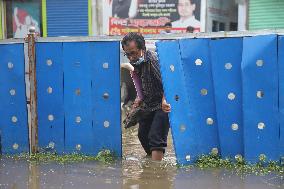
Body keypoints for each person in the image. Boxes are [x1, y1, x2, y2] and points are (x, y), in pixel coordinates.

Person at [121, 32, 171, 161]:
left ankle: (156, 171)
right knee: (142, 135)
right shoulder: (137, 64)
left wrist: (165, 100)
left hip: (161, 104)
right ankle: (153, 161)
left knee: (156, 137)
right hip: (148, 105)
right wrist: (138, 101)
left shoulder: (153, 60)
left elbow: (168, 82)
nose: (131, 57)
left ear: (142, 49)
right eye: (128, 54)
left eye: (134, 53)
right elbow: (141, 86)